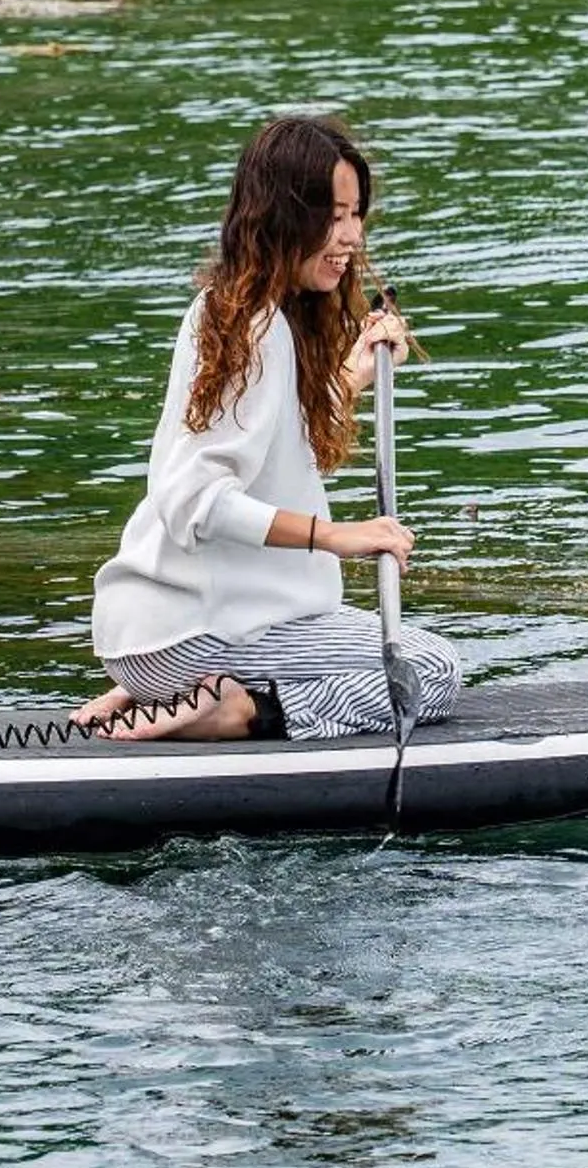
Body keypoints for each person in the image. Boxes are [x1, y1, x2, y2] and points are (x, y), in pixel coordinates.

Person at [77, 114, 465, 744]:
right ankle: (241, 709)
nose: (351, 237)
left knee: (384, 649)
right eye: (333, 216)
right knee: (432, 669)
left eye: (356, 214)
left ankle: (166, 685)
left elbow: (270, 452)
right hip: (200, 630)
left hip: (160, 631)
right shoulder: (258, 327)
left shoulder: (233, 310)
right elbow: (195, 500)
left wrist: (349, 378)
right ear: (282, 216)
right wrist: (335, 536)